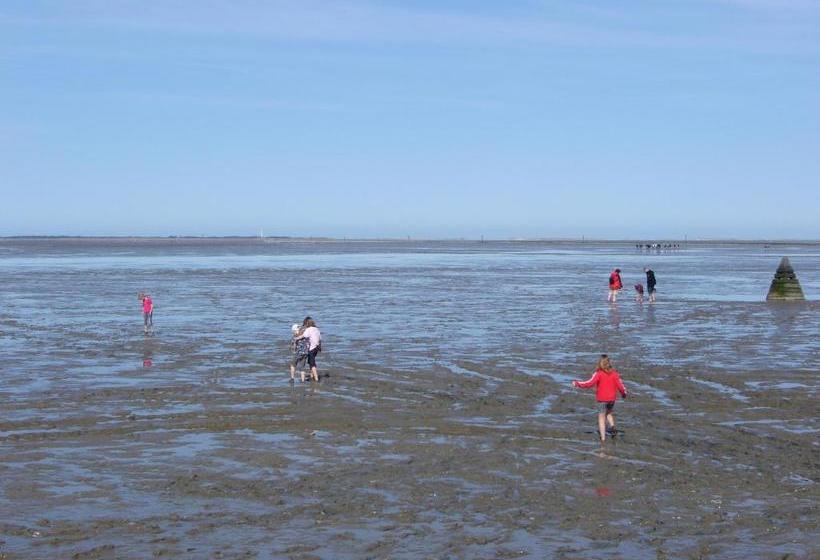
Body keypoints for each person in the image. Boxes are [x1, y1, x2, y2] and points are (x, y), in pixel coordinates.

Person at [571, 355, 628, 444]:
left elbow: (589, 383)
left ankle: (603, 438)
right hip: (611, 399)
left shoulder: (598, 373)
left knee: (601, 418)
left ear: (600, 364)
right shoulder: (615, 374)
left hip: (602, 400)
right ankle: (612, 427)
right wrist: (624, 393)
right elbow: (621, 386)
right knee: (609, 413)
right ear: (610, 363)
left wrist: (577, 383)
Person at [293, 316, 321, 382]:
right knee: (311, 362)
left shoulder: (309, 329)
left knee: (312, 364)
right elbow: (320, 339)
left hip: (312, 348)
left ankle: (316, 379)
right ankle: (311, 376)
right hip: (316, 348)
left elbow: (303, 336)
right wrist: (320, 347)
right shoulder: (317, 329)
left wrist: (296, 338)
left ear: (307, 323)